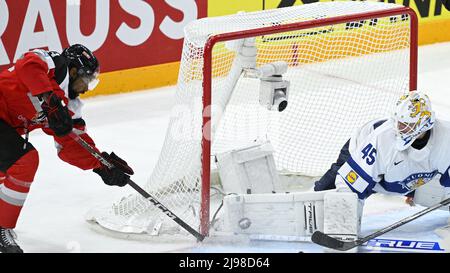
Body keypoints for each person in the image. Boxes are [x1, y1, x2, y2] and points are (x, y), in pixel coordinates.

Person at [0, 44, 134, 253]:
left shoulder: (72, 107)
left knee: (7, 173)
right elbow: (27, 65)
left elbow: (71, 144)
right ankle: (2, 229)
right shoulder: (56, 65)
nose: (86, 88)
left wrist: (100, 164)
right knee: (25, 161)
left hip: (6, 128)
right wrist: (50, 99)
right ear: (73, 72)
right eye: (87, 80)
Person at [314, 91, 450, 231]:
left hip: (402, 178)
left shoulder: (446, 138)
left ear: (424, 123)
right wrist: (344, 230)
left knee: (433, 196)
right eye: (399, 122)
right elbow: (350, 186)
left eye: (407, 124)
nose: (399, 128)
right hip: (358, 155)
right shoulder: (383, 140)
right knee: (322, 200)